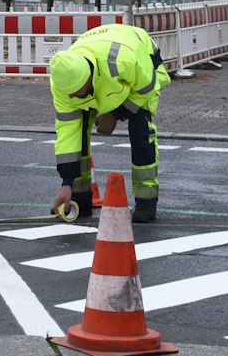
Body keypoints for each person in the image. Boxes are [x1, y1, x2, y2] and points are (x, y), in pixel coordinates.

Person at [47, 23, 170, 224]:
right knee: (79, 129)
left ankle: (146, 201)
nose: (73, 97)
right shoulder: (62, 84)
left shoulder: (123, 61)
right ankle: (79, 198)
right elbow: (68, 133)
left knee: (141, 131)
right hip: (101, 60)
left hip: (141, 66)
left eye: (78, 91)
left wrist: (114, 115)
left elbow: (147, 87)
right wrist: (66, 182)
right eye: (69, 93)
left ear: (88, 77)